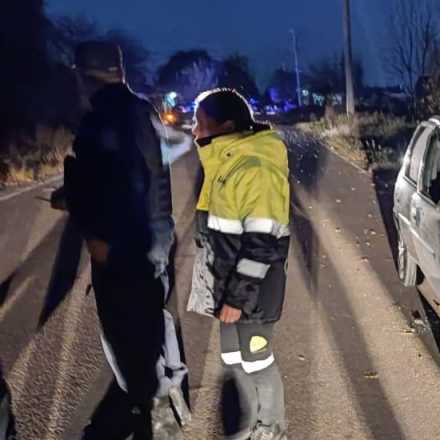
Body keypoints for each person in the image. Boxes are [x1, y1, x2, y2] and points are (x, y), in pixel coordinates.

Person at [56, 41, 189, 439]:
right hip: (156, 232)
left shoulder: (102, 119)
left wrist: (98, 235)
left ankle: (147, 408)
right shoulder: (140, 109)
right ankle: (166, 397)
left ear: (85, 74)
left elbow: (121, 184)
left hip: (124, 241)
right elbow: (145, 170)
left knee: (124, 334)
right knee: (153, 317)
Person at [187, 89, 290, 440]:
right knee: (233, 361)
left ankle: (271, 430)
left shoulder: (255, 168)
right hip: (229, 289)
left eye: (200, 123)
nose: (193, 130)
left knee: (257, 362)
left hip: (252, 294)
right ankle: (247, 427)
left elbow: (262, 244)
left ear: (225, 126)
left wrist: (236, 297)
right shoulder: (223, 165)